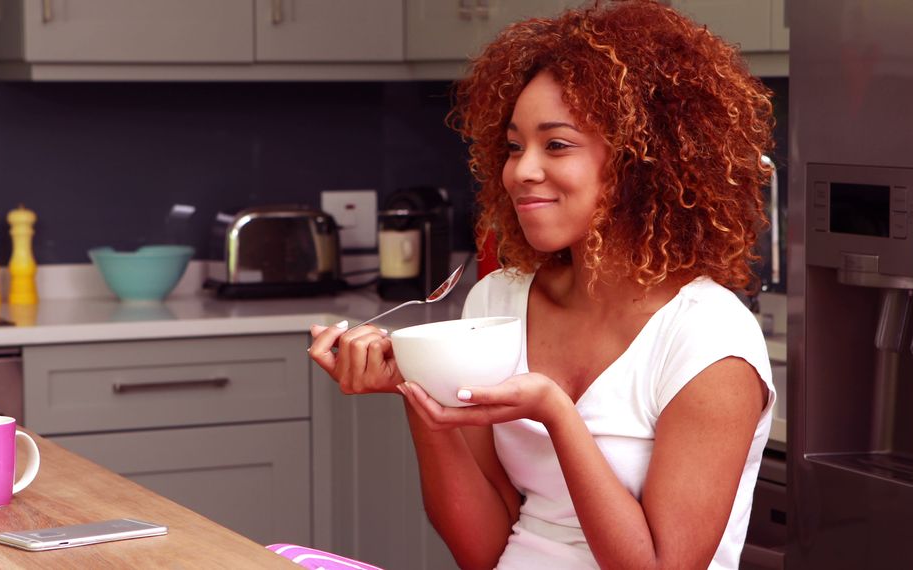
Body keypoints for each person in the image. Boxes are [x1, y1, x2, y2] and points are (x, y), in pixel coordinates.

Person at [309, 1, 776, 568]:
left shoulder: (708, 338)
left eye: (556, 144)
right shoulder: (500, 299)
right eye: (512, 146)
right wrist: (419, 389)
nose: (521, 170)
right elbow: (482, 550)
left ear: (641, 162)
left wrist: (557, 414)